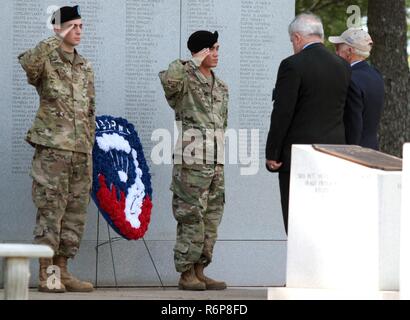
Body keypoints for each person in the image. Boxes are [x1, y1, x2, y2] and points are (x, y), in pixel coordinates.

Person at [18, 5, 95, 293]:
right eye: (71, 26)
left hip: (80, 151)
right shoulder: (46, 60)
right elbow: (28, 65)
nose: (77, 31)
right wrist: (54, 36)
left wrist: (89, 145)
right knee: (51, 212)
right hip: (53, 150)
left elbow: (89, 110)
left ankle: (63, 271)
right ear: (58, 28)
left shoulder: (85, 66)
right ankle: (47, 275)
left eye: (80, 26)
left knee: (75, 214)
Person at [265, 13, 351, 234]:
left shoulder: (292, 65)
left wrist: (273, 153)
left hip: (298, 157)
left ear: (297, 38)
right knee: (325, 221)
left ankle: (300, 269)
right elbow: (347, 113)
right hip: (333, 155)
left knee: (297, 224)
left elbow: (283, 112)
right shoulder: (342, 66)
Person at [159, 30, 229, 291]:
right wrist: (192, 62)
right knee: (190, 216)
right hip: (192, 161)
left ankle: (201, 270)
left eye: (218, 49)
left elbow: (223, 123)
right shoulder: (183, 78)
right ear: (200, 51)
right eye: (212, 49)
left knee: (211, 217)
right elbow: (169, 83)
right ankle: (186, 272)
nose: (216, 54)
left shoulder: (221, 86)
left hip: (215, 161)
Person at [329, 28, 385, 150]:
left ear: (349, 51)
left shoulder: (350, 79)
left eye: (338, 49)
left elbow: (353, 123)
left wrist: (350, 151)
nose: (336, 53)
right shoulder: (376, 75)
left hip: (356, 152)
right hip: (372, 147)